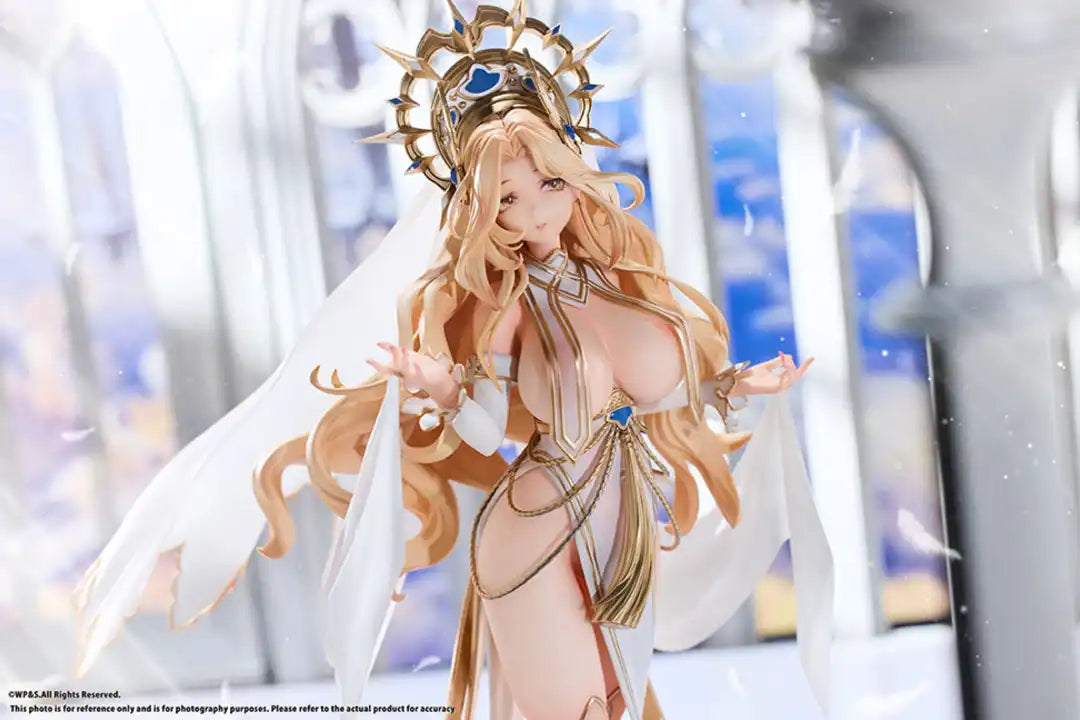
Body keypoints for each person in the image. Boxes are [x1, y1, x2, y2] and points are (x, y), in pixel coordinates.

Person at [74, 3, 833, 719]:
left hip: (614, 524)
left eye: (549, 183)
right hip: (537, 522)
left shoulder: (610, 284)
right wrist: (443, 389)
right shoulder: (511, 309)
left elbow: (666, 393)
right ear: (483, 212)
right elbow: (486, 432)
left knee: (619, 699)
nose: (536, 207)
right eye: (508, 198)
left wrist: (737, 385)